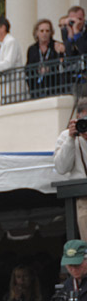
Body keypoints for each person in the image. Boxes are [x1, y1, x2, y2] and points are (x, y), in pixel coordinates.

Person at [54, 97, 87, 240]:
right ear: (77, 118)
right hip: (83, 197)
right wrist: (71, 139)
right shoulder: (66, 136)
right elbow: (61, 168)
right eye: (83, 120)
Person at [26, 18, 64, 98]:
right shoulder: (32, 49)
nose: (44, 34)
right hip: (37, 89)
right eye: (42, 31)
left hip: (53, 87)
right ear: (36, 33)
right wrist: (38, 70)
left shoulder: (56, 46)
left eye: (47, 31)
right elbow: (28, 69)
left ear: (51, 33)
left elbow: (62, 64)